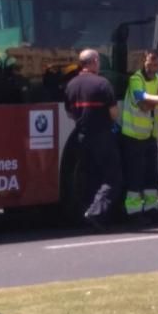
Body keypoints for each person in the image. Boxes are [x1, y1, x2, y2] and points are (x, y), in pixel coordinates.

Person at [64, 49, 122, 230]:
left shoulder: (71, 85)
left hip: (81, 137)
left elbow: (69, 113)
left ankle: (87, 215)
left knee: (90, 177)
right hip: (102, 136)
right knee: (113, 177)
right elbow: (113, 114)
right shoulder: (103, 84)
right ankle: (96, 212)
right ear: (95, 61)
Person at [121, 49, 158, 224]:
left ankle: (151, 210)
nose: (153, 65)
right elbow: (142, 104)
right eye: (151, 62)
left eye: (157, 63)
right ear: (144, 61)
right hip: (133, 135)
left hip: (150, 136)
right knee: (135, 176)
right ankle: (133, 213)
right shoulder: (136, 79)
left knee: (151, 176)